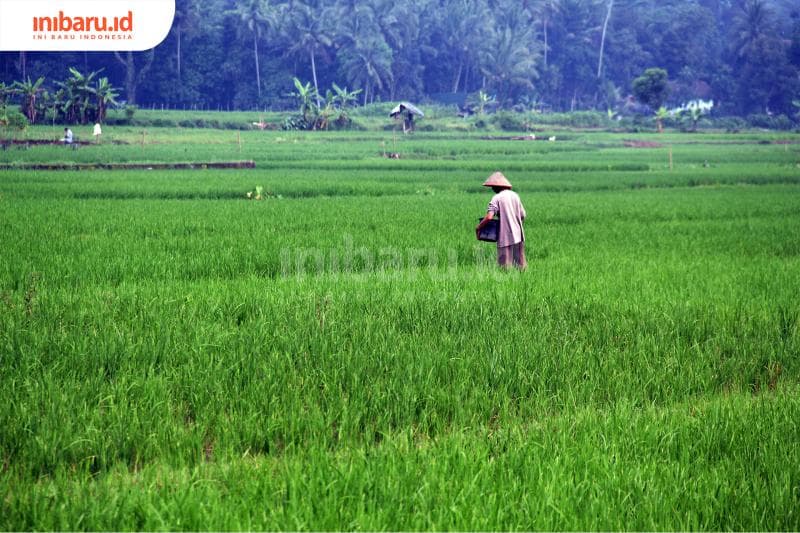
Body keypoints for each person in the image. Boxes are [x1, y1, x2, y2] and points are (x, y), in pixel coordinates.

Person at [475, 171, 527, 269]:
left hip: (505, 236)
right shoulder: (515, 196)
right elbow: (523, 215)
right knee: (520, 266)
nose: (492, 189)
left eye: (492, 186)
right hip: (518, 235)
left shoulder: (497, 198)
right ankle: (521, 282)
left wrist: (478, 227)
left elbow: (489, 217)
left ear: (496, 187)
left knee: (504, 267)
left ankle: (507, 283)